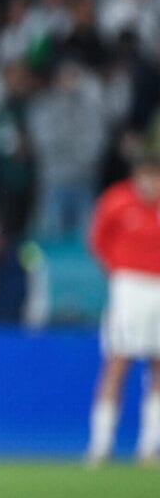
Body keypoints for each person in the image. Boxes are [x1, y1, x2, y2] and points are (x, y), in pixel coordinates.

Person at [86, 148, 160, 466]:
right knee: (118, 361)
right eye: (148, 175)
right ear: (137, 174)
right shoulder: (117, 200)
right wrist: (119, 270)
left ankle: (149, 449)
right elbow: (97, 241)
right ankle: (100, 446)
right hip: (128, 287)